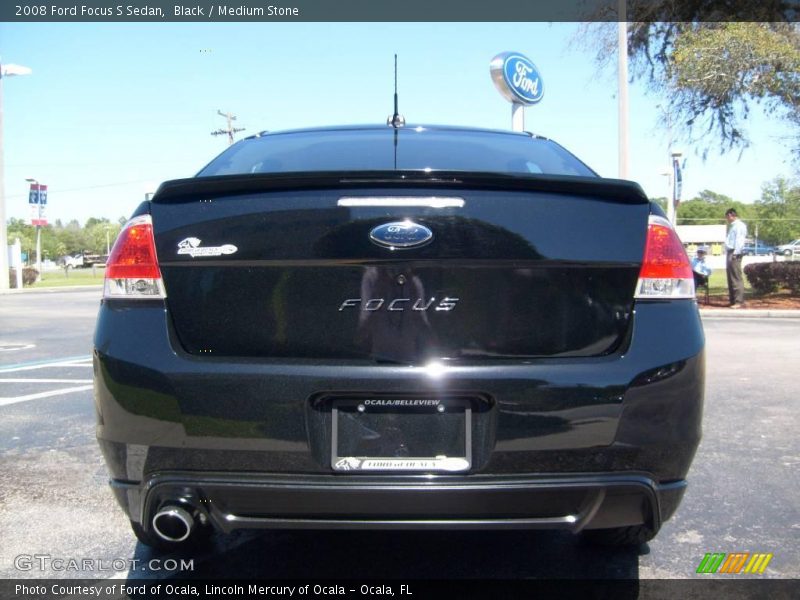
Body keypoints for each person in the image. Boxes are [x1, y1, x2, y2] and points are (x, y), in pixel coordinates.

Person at [725, 208, 747, 308]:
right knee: (730, 277)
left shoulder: (739, 226)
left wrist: (736, 253)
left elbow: (739, 240)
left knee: (736, 278)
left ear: (731, 215)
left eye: (727, 217)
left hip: (735, 252)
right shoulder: (732, 226)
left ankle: (739, 301)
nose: (727, 219)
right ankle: (733, 300)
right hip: (730, 252)